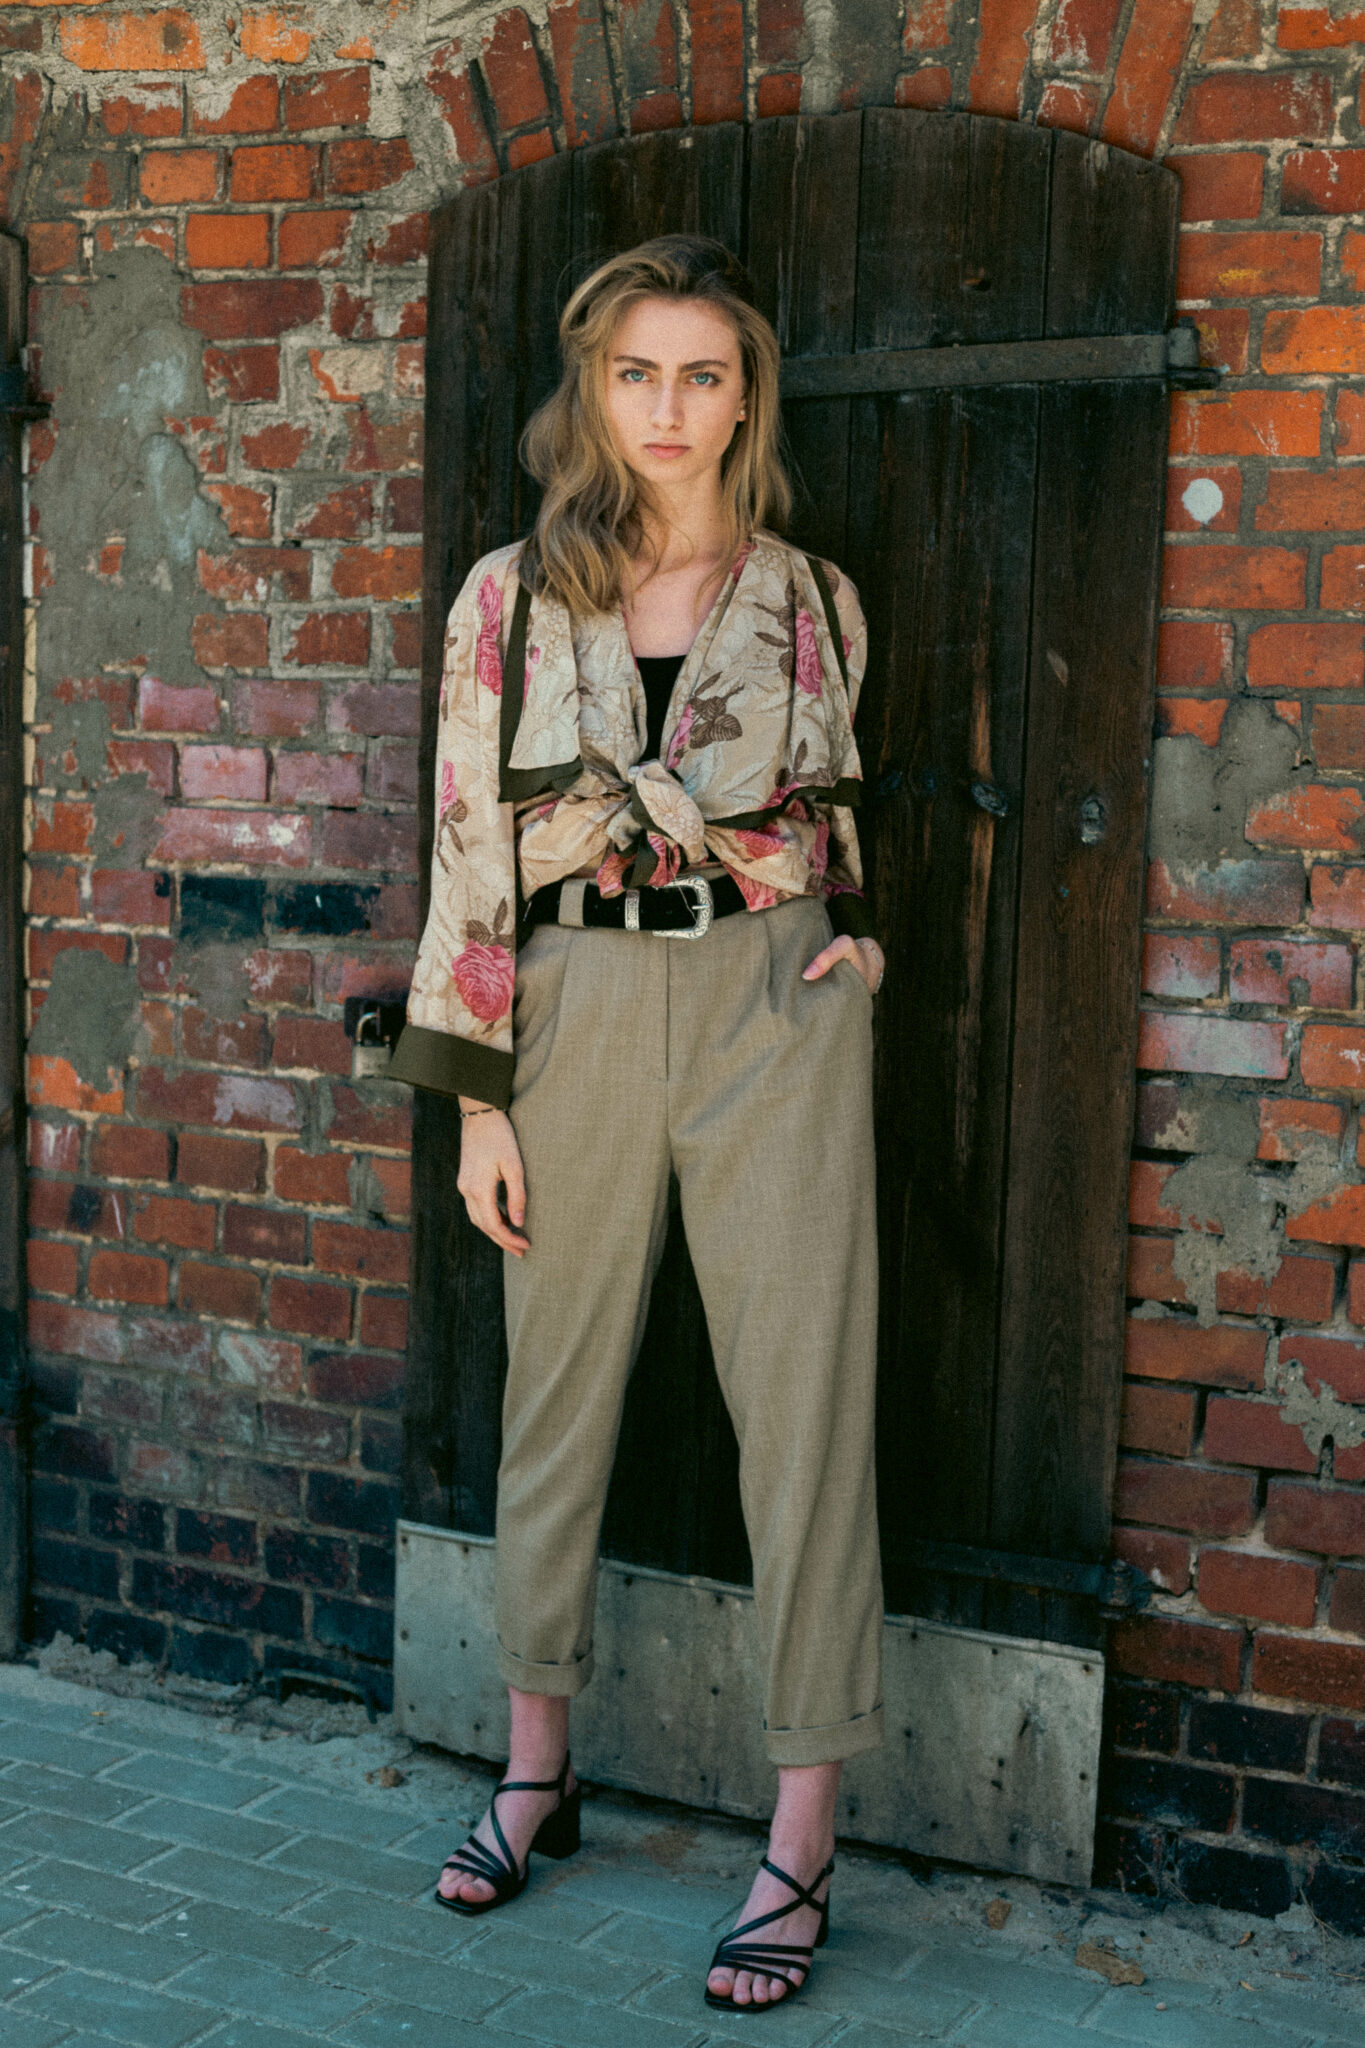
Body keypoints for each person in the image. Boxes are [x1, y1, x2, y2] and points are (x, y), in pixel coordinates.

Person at [387, 233, 886, 2013]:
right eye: (635, 373)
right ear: (592, 394)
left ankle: (801, 1834)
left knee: (806, 1409)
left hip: (773, 1006)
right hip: (574, 1006)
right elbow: (466, 851)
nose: (667, 408)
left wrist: (855, 942)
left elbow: (830, 809)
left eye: (701, 375)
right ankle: (536, 1770)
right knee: (556, 1391)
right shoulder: (509, 600)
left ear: (745, 399)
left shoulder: (811, 596)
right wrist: (476, 1106)